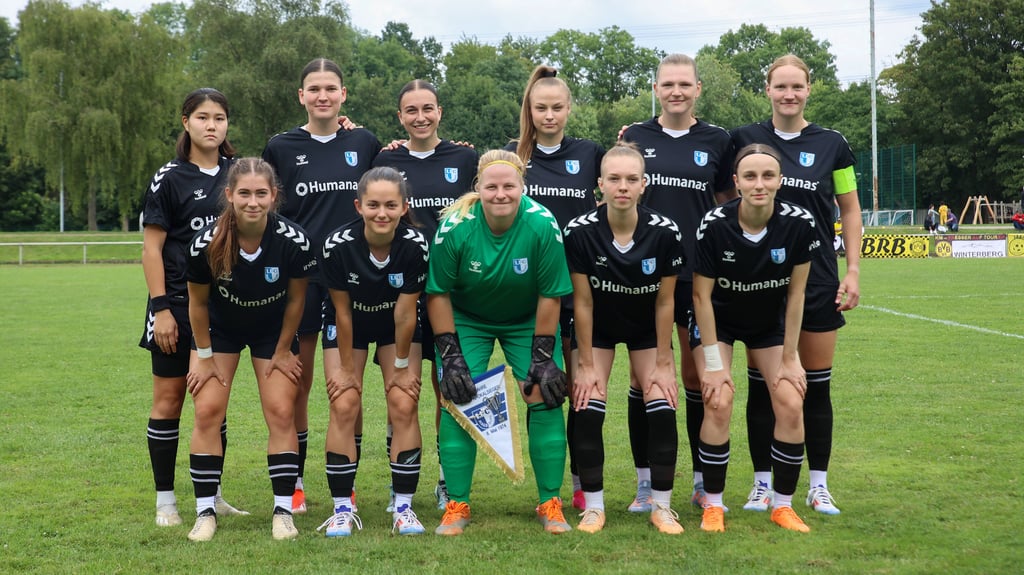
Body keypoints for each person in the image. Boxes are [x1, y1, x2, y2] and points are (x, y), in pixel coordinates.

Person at [731, 54, 862, 515]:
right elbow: (723, 197)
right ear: (766, 89)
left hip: (819, 276)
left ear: (809, 89)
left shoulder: (833, 144)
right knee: (763, 384)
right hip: (757, 281)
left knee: (816, 385)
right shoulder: (744, 139)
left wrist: (853, 270)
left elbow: (848, 208)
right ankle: (762, 483)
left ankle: (819, 485)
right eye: (780, 86)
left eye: (797, 87)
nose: (789, 94)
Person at [426, 149, 574, 536]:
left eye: (509, 185)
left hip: (527, 317)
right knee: (458, 393)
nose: (500, 194)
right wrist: (451, 356)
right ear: (479, 187)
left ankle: (550, 502)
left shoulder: (542, 223)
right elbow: (438, 293)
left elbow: (551, 294)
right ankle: (456, 504)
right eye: (491, 186)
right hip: (467, 317)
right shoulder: (456, 225)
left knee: (545, 391)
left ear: (522, 186)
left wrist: (543, 358)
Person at [262, 58, 382, 514]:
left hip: (357, 282)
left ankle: (345, 482)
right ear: (302, 96)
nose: (322, 96)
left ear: (344, 94)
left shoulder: (364, 142)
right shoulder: (281, 147)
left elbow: (387, 187)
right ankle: (294, 482)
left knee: (349, 384)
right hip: (302, 280)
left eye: (330, 88)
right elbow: (268, 212)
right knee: (299, 382)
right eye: (314, 89)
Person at [621, 53, 735, 512]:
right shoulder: (634, 136)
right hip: (641, 276)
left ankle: (701, 478)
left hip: (695, 277)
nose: (676, 91)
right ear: (656, 88)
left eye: (684, 84)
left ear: (697, 89)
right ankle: (645, 482)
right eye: (667, 84)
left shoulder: (718, 140)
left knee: (694, 375)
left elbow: (729, 201)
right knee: (642, 375)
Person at [183, 157, 316, 541]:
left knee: (280, 411)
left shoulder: (294, 240)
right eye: (244, 193)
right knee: (207, 410)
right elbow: (196, 304)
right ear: (229, 195)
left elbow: (296, 302)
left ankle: (283, 511)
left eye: (261, 193)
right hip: (219, 333)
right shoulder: (205, 243)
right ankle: (204, 511)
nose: (253, 202)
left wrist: (282, 351)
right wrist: (204, 356)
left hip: (271, 334)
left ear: (274, 196)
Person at [691, 143, 816, 534]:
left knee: (791, 401)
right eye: (750, 176)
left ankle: (782, 505)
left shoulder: (800, 223)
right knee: (718, 399)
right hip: (720, 322)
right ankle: (713, 504)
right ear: (736, 182)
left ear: (780, 180)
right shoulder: (714, 223)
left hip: (767, 326)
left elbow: (796, 295)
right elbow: (701, 297)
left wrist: (791, 356)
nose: (759, 184)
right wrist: (713, 366)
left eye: (767, 176)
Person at [564, 143, 685, 534]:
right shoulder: (580, 232)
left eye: (631, 179)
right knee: (586, 401)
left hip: (646, 328)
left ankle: (661, 506)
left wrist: (665, 360)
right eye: (614, 179)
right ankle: (594, 507)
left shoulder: (665, 232)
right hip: (597, 327)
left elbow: (666, 301)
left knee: (662, 400)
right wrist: (584, 363)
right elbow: (581, 302)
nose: (622, 186)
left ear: (644, 184)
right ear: (599, 184)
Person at [139, 88, 247, 527]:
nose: (211, 125)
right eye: (202, 117)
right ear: (186, 122)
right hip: (175, 307)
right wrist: (161, 308)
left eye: (219, 118)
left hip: (219, 309)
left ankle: (212, 493)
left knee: (211, 404)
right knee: (169, 400)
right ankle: (166, 500)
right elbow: (151, 250)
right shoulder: (170, 178)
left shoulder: (238, 174)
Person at [373, 79, 479, 511]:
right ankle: (399, 475)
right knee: (402, 387)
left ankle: (443, 477)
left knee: (445, 386)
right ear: (400, 117)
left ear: (440, 112)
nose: (420, 117)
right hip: (399, 291)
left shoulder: (465, 156)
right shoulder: (385, 158)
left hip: (449, 290)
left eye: (428, 109)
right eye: (411, 111)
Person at [507, 65, 605, 510]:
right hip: (526, 295)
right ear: (529, 108)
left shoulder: (589, 154)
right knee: (539, 389)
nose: (549, 115)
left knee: (580, 387)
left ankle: (582, 483)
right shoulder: (512, 156)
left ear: (569, 108)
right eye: (541, 108)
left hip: (580, 289)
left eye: (557, 107)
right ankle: (547, 488)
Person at [314, 167, 430, 537]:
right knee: (345, 401)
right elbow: (342, 312)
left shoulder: (416, 245)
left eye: (390, 205)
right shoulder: (337, 245)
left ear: (403, 207)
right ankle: (342, 509)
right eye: (374, 205)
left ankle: (404, 507)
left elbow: (405, 311)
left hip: (396, 326)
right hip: (350, 325)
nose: (382, 213)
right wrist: (347, 369)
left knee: (403, 401)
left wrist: (399, 366)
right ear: (359, 206)